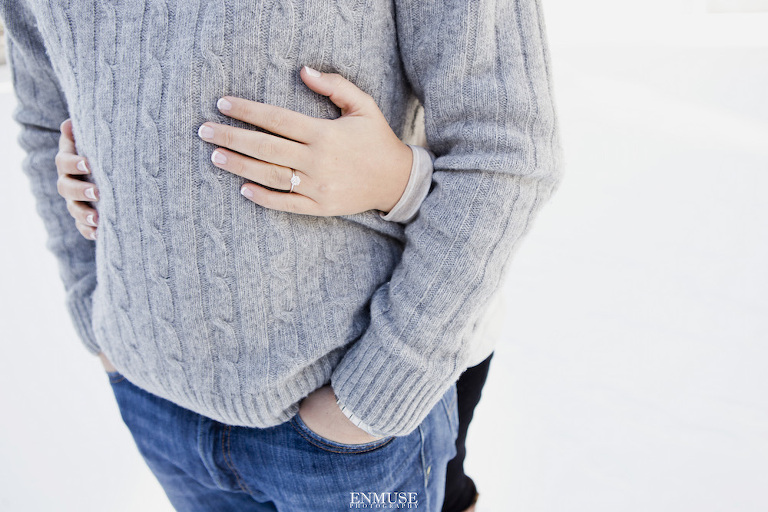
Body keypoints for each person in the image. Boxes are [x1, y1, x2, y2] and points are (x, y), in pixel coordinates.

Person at [2, 0, 562, 510]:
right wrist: (94, 313)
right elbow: (43, 115)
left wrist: (374, 395)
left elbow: (505, 149)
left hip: (342, 430)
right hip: (154, 401)